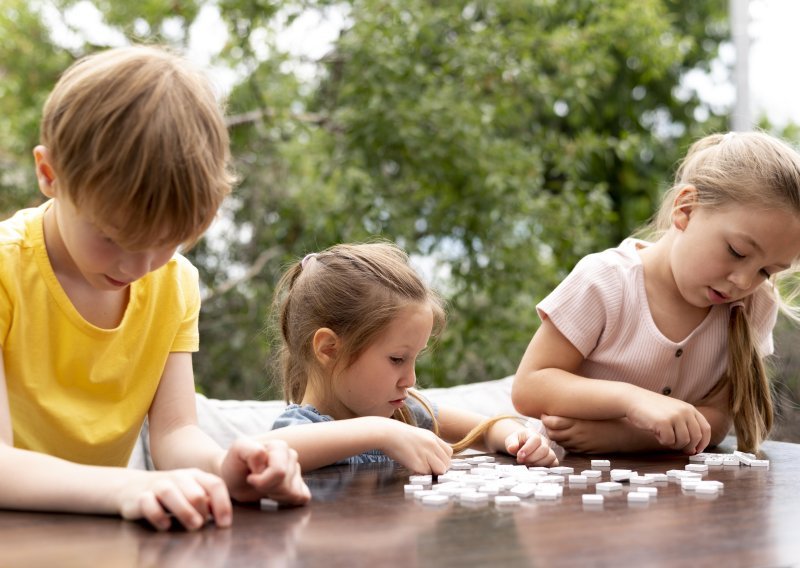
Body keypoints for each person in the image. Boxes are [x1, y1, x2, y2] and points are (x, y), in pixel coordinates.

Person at [0, 45, 309, 532]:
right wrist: (129, 487)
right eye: (113, 237)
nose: (139, 266)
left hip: (95, 540)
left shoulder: (174, 283)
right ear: (49, 174)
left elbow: (175, 434)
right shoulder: (6, 270)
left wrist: (224, 466)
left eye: (168, 241)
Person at [512, 131, 800, 455]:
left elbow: (716, 420)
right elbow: (529, 387)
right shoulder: (606, 280)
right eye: (737, 251)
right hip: (555, 466)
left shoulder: (754, 306)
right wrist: (631, 400)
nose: (744, 282)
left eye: (767, 271)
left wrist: (625, 436)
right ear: (686, 209)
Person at [259, 242, 558, 473]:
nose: (411, 380)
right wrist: (380, 433)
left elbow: (487, 430)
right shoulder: (298, 428)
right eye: (397, 359)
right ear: (329, 349)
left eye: (415, 358)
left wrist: (519, 439)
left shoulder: (406, 412)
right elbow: (266, 452)